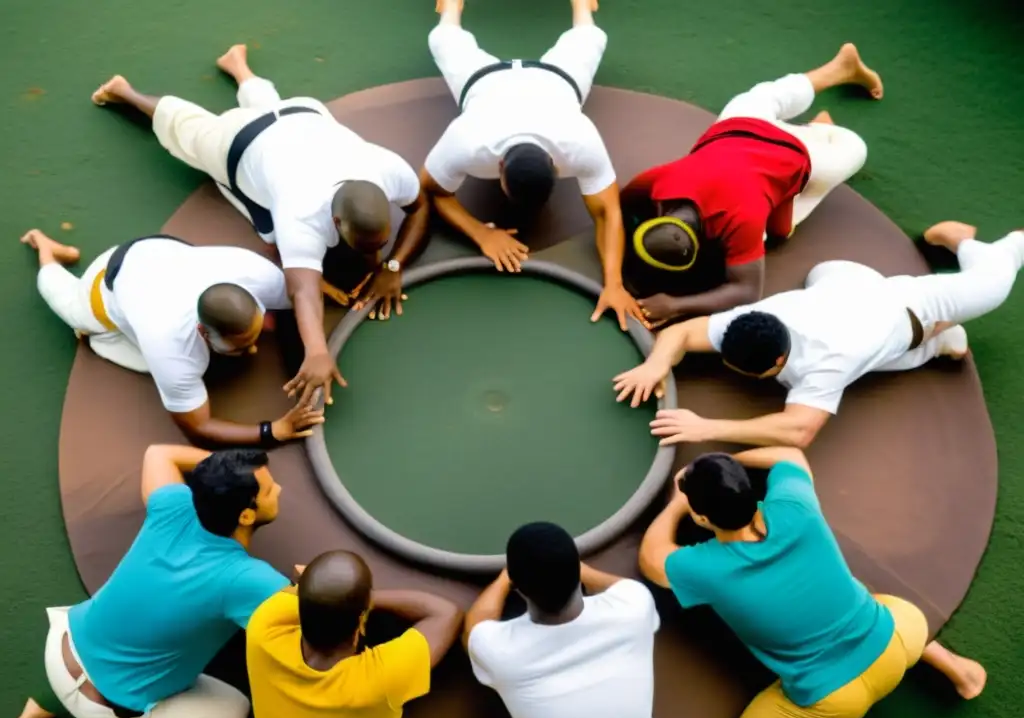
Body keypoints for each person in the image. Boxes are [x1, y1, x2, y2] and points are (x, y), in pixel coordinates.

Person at [90, 42, 431, 408]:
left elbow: (420, 207)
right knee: (188, 128)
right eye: (367, 245)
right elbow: (303, 291)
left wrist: (392, 266)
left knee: (271, 113)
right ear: (334, 220)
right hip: (242, 142)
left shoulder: (389, 168)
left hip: (304, 118)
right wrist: (316, 351)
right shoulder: (298, 217)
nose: (374, 253)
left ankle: (240, 68)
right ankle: (125, 92)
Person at [638, 447, 986, 718]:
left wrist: (676, 503)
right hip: (898, 641)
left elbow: (650, 556)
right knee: (873, 598)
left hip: (835, 699)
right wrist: (730, 466)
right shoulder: (794, 504)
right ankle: (961, 673)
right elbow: (789, 453)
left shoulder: (702, 568)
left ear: (701, 517)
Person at [0, 445, 292, 718]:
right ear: (246, 515)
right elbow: (317, 618)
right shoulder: (250, 581)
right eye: (268, 489)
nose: (278, 488)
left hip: (60, 649)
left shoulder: (174, 504)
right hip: (105, 707)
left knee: (110, 630)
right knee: (231, 716)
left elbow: (158, 454)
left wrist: (220, 473)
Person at [612, 222, 1024, 448]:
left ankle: (967, 242)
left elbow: (797, 431)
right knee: (889, 342)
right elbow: (682, 334)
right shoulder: (756, 317)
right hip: (840, 280)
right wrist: (654, 364)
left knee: (996, 279)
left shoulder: (826, 366)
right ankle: (940, 343)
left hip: (912, 306)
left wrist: (707, 427)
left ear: (777, 365)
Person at [619, 43, 882, 328]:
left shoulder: (742, 219)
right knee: (763, 96)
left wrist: (676, 305)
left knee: (854, 149)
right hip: (739, 126)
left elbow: (746, 291)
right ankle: (825, 100)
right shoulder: (658, 181)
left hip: (798, 155)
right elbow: (617, 205)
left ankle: (822, 127)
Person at [421, 0, 645, 331]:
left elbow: (608, 212)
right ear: (498, 167)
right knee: (442, 37)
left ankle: (583, 6)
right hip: (484, 83)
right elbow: (429, 188)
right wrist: (480, 233)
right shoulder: (468, 141)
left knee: (591, 35)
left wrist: (615, 283)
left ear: (557, 166)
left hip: (557, 82)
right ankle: (451, 7)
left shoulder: (580, 141)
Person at [23, 228, 322, 447]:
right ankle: (45, 249)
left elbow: (304, 292)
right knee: (66, 303)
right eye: (241, 346)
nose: (255, 350)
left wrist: (317, 349)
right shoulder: (170, 348)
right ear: (202, 331)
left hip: (160, 250)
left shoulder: (259, 275)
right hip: (103, 290)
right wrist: (273, 430)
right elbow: (199, 428)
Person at [463, 522, 672, 718]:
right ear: (577, 571)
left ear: (519, 589)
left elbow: (473, 627)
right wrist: (578, 569)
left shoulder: (500, 652)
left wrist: (503, 580)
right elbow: (619, 586)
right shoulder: (635, 607)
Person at [246, 551, 463, 718]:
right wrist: (367, 600)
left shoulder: (263, 626)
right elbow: (446, 613)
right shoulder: (381, 680)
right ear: (361, 621)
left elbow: (299, 589)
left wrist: (338, 596)